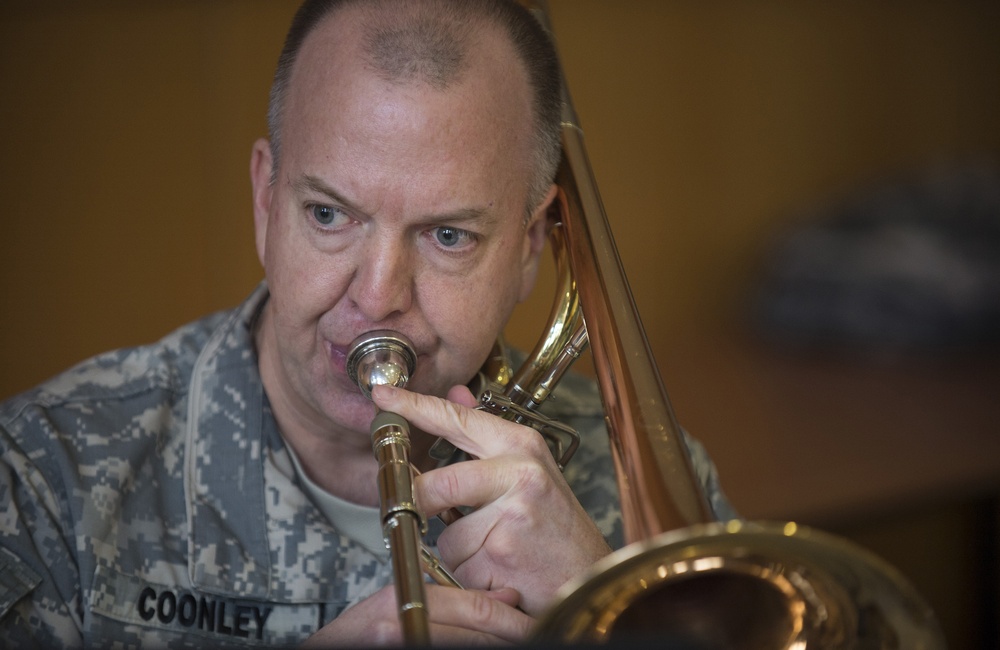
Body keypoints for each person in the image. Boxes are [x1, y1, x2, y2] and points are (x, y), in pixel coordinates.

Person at [0, 0, 733, 646]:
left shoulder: (647, 483)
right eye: (328, 215)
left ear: (531, 246)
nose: (379, 296)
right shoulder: (47, 477)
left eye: (448, 235)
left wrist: (616, 621)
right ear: (265, 201)